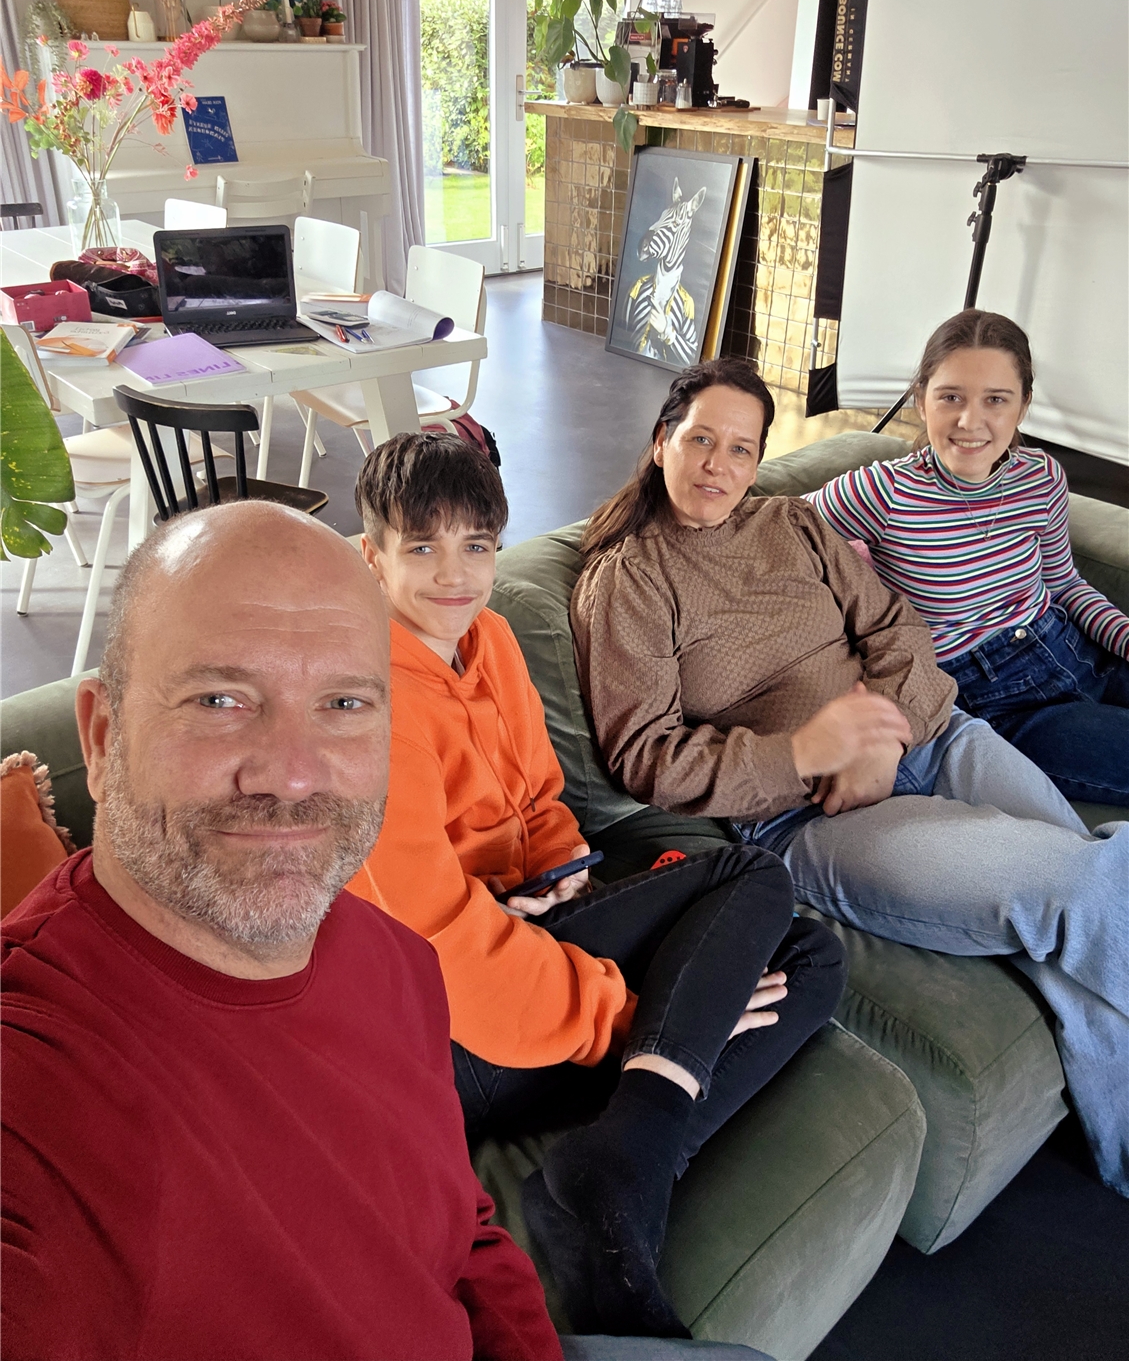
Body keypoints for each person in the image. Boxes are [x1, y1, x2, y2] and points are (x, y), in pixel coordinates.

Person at [1, 501, 564, 1361]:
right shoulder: (41, 1077)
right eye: (219, 699)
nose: (294, 775)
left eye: (343, 702)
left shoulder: (396, 959)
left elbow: (461, 1231)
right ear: (104, 738)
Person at [569, 357, 1129, 1199]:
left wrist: (880, 738)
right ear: (660, 443)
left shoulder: (790, 522)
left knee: (1097, 885)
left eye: (741, 449)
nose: (718, 465)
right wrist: (805, 753)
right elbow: (647, 756)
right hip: (812, 818)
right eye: (700, 441)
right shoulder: (628, 579)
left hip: (934, 739)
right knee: (1080, 884)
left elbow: (894, 627)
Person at [345, 433, 846, 1339]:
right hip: (444, 1034)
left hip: (527, 944)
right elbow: (434, 943)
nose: (454, 574)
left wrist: (567, 876)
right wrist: (646, 1015)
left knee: (808, 951)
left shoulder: (491, 638)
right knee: (748, 872)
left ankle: (626, 1160)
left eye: (476, 545)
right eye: (421, 547)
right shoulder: (364, 705)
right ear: (372, 556)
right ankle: (637, 1134)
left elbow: (540, 797)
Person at [806, 309, 1129, 806]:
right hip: (1001, 703)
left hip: (1075, 649)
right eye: (951, 397)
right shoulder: (882, 492)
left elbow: (1065, 584)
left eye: (995, 399)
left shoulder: (1040, 477)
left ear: (1022, 406)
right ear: (921, 400)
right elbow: (771, 534)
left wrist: (1124, 637)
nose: (969, 422)